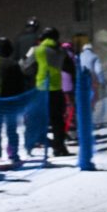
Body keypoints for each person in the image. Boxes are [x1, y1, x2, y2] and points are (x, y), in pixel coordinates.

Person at [35, 27, 71, 156]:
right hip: (56, 87)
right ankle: (60, 147)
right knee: (58, 121)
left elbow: (25, 65)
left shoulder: (37, 50)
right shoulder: (61, 51)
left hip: (41, 89)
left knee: (39, 119)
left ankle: (43, 143)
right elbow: (69, 67)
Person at [0, 37, 25, 165]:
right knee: (11, 129)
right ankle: (13, 154)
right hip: (12, 101)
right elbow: (20, 83)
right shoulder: (13, 64)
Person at [78, 37, 104, 113]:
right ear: (91, 49)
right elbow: (98, 70)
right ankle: (90, 110)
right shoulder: (94, 56)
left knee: (84, 96)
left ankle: (85, 110)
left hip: (81, 79)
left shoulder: (79, 56)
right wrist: (101, 80)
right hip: (92, 79)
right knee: (94, 96)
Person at [14, 17, 40, 90]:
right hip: (35, 70)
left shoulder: (18, 38)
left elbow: (15, 56)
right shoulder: (38, 39)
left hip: (21, 69)